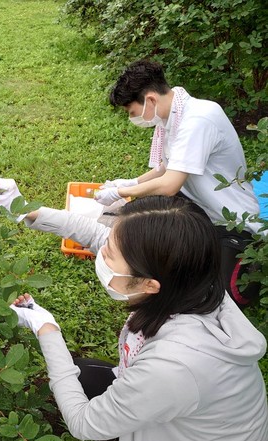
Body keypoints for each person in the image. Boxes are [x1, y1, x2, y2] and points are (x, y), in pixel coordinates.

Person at [8, 195, 268, 441]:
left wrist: (46, 329)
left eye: (110, 254)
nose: (102, 252)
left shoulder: (176, 366)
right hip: (181, 437)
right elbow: (100, 235)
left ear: (149, 284)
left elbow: (83, 422)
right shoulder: (190, 282)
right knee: (80, 373)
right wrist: (25, 210)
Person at [94, 59, 262, 306]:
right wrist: (131, 181)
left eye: (132, 113)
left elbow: (169, 183)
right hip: (194, 205)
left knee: (220, 296)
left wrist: (123, 191)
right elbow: (166, 167)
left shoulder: (199, 119)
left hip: (230, 219)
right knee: (147, 239)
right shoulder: (173, 115)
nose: (133, 119)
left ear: (150, 100)